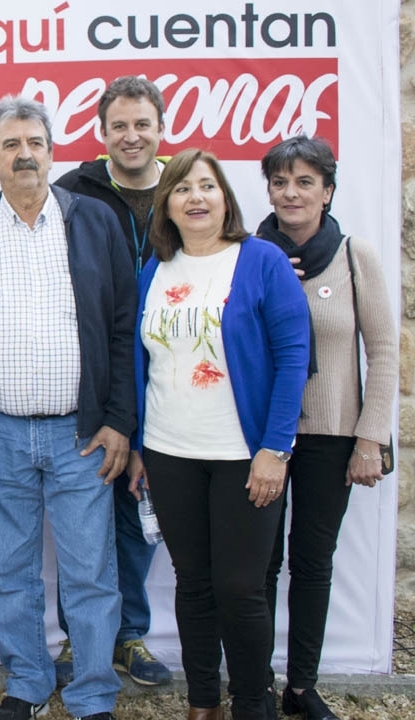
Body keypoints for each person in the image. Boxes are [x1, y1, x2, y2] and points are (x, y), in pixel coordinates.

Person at [0, 76, 172, 687]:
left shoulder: (93, 221)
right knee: (10, 575)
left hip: (82, 437)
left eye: (36, 141)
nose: (25, 153)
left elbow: (124, 330)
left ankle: (94, 691)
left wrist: (119, 423)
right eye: (10, 143)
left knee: (91, 575)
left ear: (53, 151)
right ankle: (27, 683)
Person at [128, 149, 310, 720]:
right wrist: (139, 448)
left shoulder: (262, 260)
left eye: (207, 186)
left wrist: (275, 449)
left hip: (243, 456)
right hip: (169, 452)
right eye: (182, 189)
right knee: (194, 585)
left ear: (225, 196)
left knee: (241, 589)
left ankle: (252, 704)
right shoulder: (156, 269)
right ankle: (203, 702)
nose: (196, 198)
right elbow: (142, 361)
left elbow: (292, 357)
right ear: (168, 205)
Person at [256, 136, 398, 720]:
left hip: (332, 435)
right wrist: (267, 284)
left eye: (304, 182)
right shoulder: (248, 254)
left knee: (312, 561)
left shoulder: (354, 256)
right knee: (257, 564)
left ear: (327, 191)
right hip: (263, 436)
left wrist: (370, 437)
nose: (291, 193)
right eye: (281, 182)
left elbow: (385, 349)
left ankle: (301, 687)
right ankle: (257, 681)